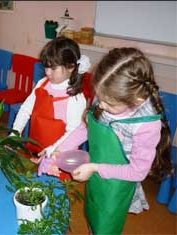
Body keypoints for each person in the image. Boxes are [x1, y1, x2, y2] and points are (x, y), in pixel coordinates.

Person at [43, 47, 173, 234]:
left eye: (109, 104)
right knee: (93, 216)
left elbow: (137, 172)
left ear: (135, 100)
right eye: (99, 98)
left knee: (106, 226)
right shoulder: (107, 92)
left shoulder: (145, 125)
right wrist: (60, 149)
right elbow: (86, 125)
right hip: (96, 172)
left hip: (118, 183)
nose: (100, 105)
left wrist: (95, 168)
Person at [12, 36, 91, 180]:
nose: (47, 72)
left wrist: (53, 150)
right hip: (37, 149)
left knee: (54, 190)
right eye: (46, 66)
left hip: (59, 159)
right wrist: (14, 134)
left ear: (71, 67)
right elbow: (25, 110)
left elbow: (74, 132)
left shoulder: (75, 98)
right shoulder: (42, 83)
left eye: (53, 68)